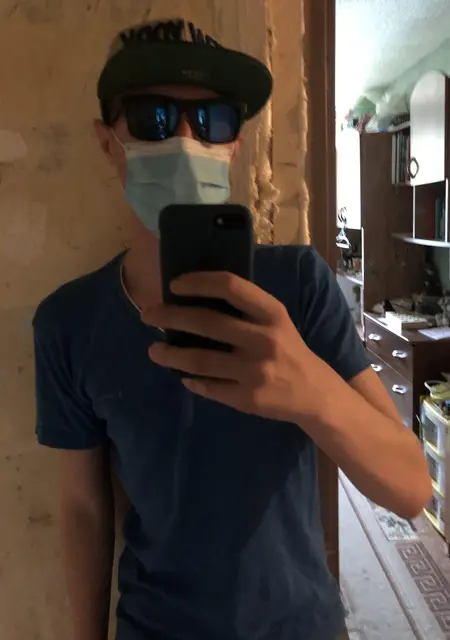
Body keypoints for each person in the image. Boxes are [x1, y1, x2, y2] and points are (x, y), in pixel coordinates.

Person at [32, 18, 431, 640]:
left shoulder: (298, 284)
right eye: (153, 118)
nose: (186, 139)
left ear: (235, 145)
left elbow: (410, 489)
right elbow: (85, 507)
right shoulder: (69, 322)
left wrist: (312, 392)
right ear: (107, 142)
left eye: (212, 119)